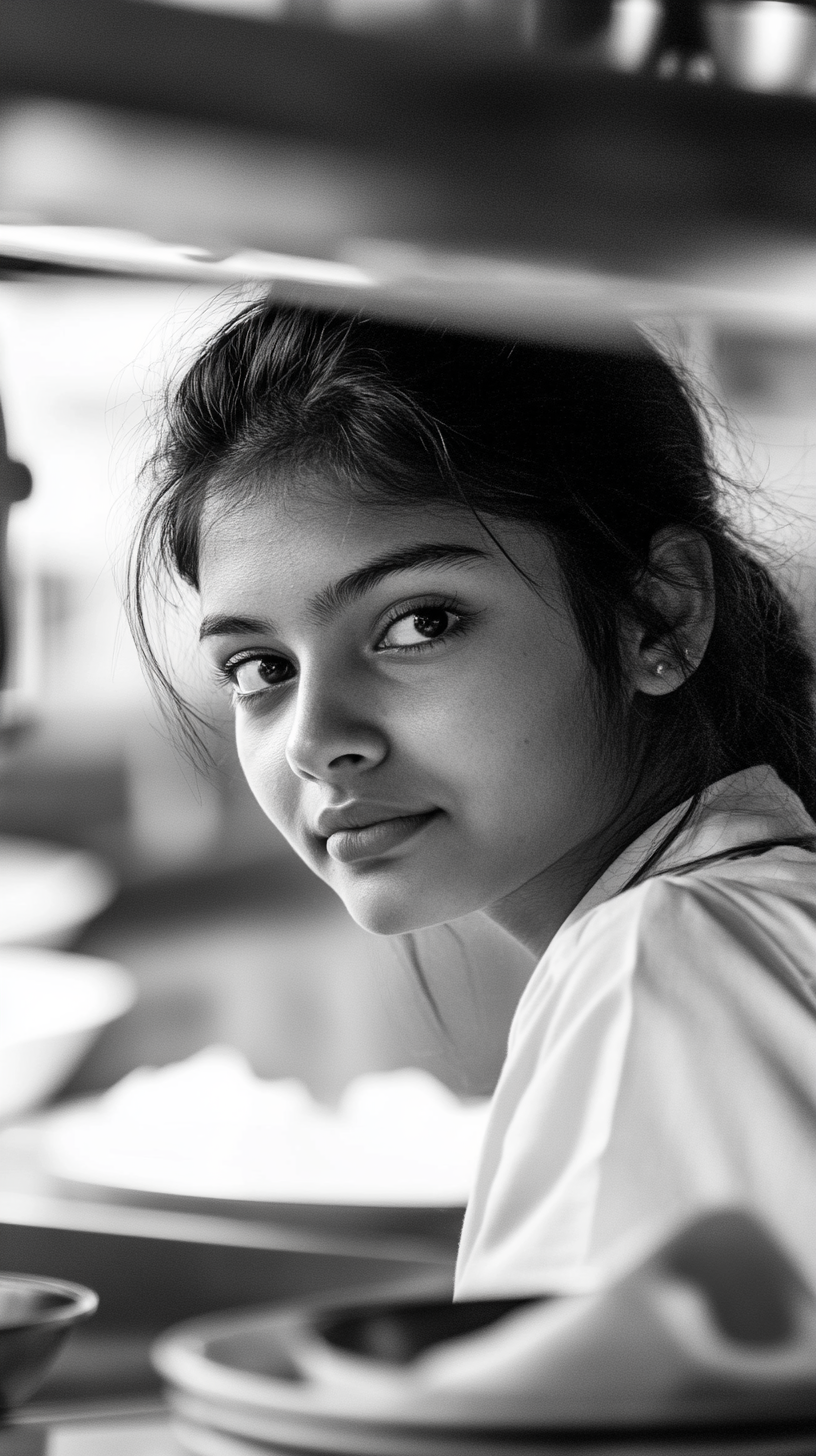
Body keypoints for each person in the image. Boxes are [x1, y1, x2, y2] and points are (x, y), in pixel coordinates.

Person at [129, 299, 816, 1298]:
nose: (319, 742)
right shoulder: (737, 922)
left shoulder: (661, 961)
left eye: (421, 621)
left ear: (658, 614)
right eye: (259, 668)